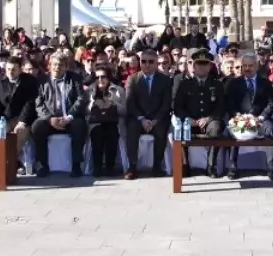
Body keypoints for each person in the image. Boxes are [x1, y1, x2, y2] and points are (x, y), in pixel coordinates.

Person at [171, 48, 227, 178]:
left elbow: (221, 107)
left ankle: (211, 166)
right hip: (190, 120)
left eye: (205, 64)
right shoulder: (185, 84)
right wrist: (188, 119)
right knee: (180, 130)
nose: (201, 67)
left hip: (209, 121)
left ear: (209, 66)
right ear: (193, 66)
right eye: (198, 63)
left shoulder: (217, 85)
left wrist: (208, 119)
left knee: (216, 128)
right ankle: (184, 166)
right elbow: (177, 106)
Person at [31, 54, 89, 178]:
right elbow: (38, 103)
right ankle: (43, 165)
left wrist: (69, 116)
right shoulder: (42, 80)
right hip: (49, 118)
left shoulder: (75, 78)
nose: (57, 68)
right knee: (37, 127)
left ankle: (76, 165)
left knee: (79, 126)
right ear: (49, 66)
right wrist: (49, 119)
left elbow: (81, 98)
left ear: (66, 67)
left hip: (69, 117)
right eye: (55, 64)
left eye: (61, 65)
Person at [224, 52, 273, 181]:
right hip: (240, 118)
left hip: (260, 118)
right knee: (231, 131)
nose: (247, 69)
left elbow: (271, 104)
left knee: (270, 129)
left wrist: (261, 118)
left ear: (257, 66)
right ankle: (232, 165)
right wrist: (238, 116)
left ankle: (271, 165)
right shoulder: (234, 83)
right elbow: (230, 103)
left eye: (250, 66)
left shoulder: (265, 83)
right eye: (244, 66)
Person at [124, 50, 173, 180]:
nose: (146, 64)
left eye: (150, 62)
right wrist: (142, 119)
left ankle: (157, 166)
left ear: (156, 63)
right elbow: (130, 103)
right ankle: (132, 167)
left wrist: (155, 120)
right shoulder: (133, 79)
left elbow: (166, 104)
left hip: (158, 118)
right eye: (143, 61)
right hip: (138, 118)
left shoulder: (165, 80)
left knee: (161, 130)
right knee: (132, 128)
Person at [0, 56, 39, 174]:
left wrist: (22, 122)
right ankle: (4, 163)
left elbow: (30, 104)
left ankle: (10, 163)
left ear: (20, 69)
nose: (10, 72)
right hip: (6, 117)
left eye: (13, 69)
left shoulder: (30, 81)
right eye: (8, 69)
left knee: (18, 134)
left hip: (23, 118)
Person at [86, 64, 124, 177]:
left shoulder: (118, 90)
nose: (100, 80)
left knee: (111, 132)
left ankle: (109, 166)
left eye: (103, 77)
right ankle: (97, 167)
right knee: (97, 132)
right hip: (95, 122)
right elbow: (84, 111)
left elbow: (126, 110)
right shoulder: (89, 91)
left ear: (108, 77)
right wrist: (92, 103)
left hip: (113, 121)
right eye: (97, 77)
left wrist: (114, 104)